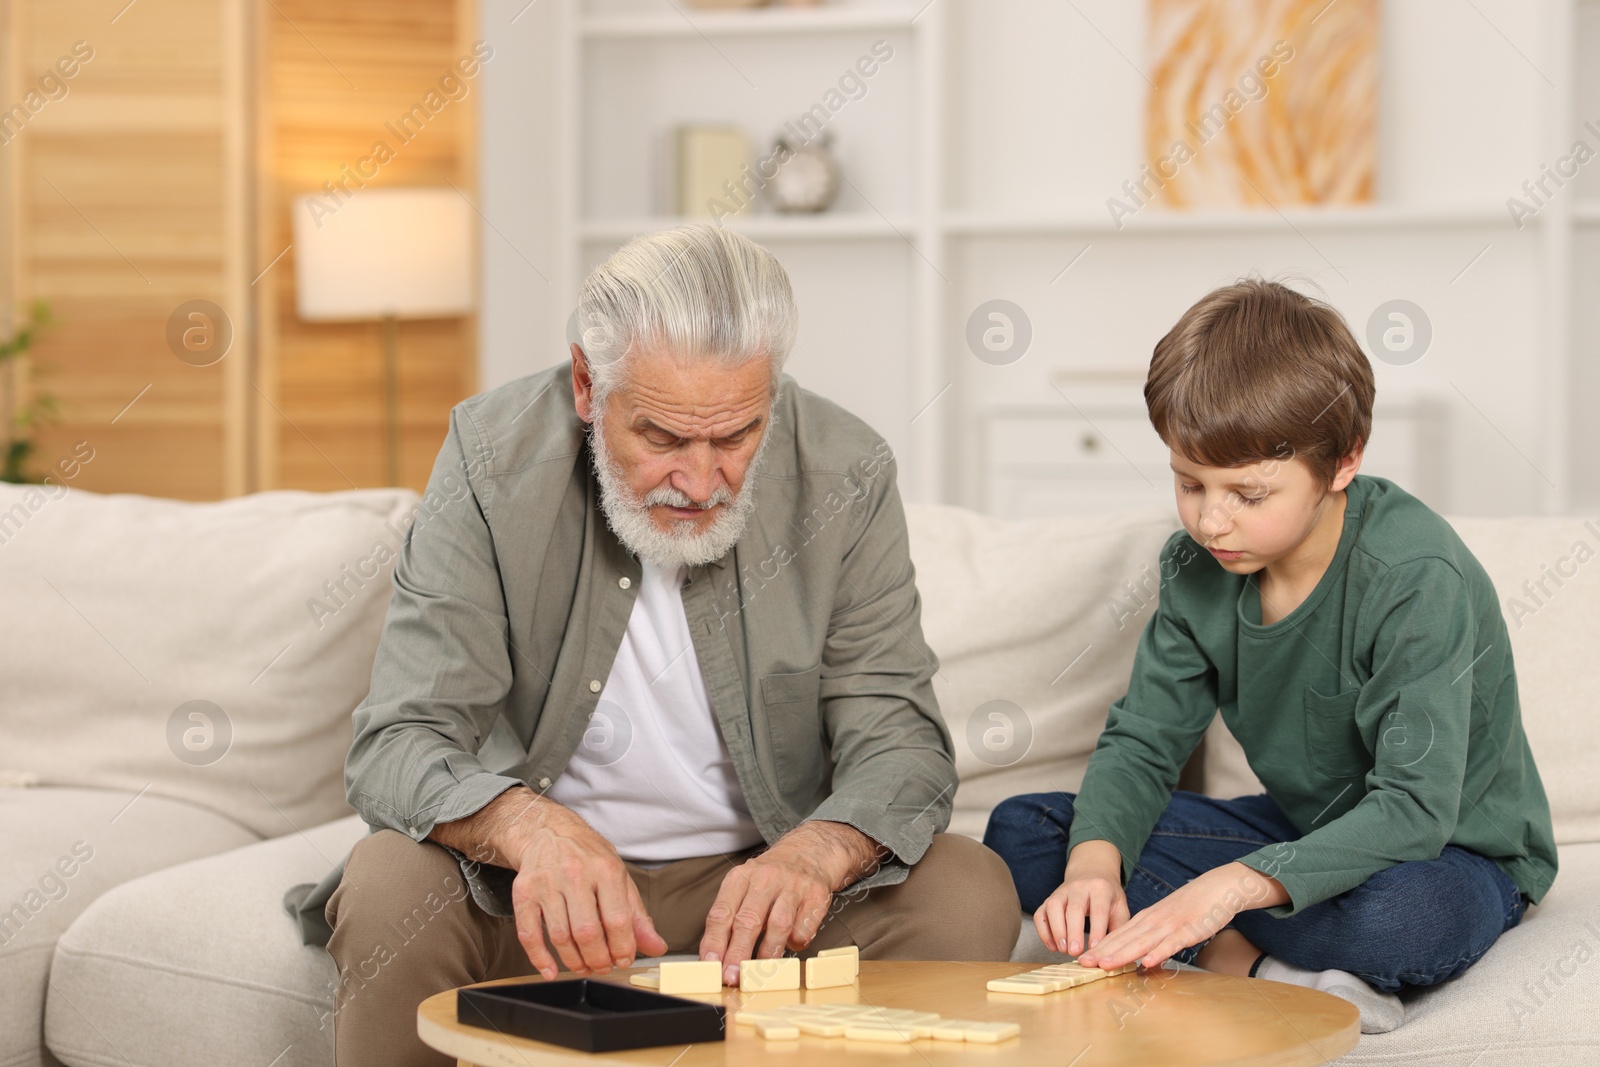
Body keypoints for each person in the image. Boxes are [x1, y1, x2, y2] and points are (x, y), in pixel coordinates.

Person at [286, 224, 1020, 1067]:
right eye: (664, 439)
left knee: (966, 889)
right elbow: (398, 739)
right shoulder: (491, 458)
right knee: (387, 882)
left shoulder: (847, 470)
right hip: (534, 892)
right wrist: (532, 830)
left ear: (770, 394)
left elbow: (902, 743)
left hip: (759, 903)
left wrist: (815, 854)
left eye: (737, 435)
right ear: (588, 385)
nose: (702, 482)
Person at [982, 278, 1557, 1034]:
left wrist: (1226, 888)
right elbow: (1146, 739)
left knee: (1407, 921)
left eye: (1248, 494)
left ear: (1343, 462)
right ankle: (1254, 959)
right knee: (1028, 831)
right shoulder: (1194, 569)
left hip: (1451, 848)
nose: (1211, 519)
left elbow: (1415, 809)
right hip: (1298, 831)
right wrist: (1095, 864)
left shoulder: (1415, 576)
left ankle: (1221, 941)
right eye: (1190, 482)